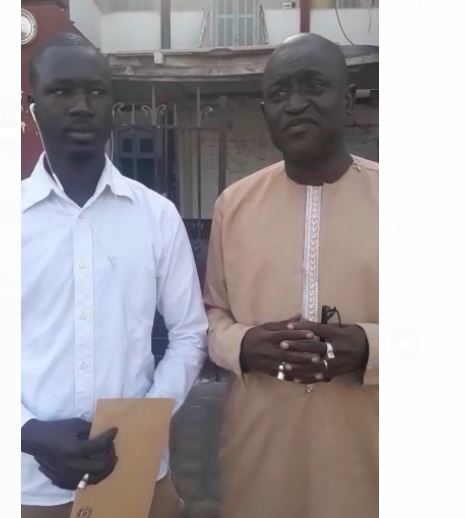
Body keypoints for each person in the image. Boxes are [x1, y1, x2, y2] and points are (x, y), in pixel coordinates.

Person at [21, 33, 207, 518]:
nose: (81, 106)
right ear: (32, 107)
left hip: (136, 473)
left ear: (113, 107)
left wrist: (140, 425)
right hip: (25, 484)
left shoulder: (156, 216)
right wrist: (25, 431)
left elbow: (189, 334)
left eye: (96, 92)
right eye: (61, 91)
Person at [204, 33, 378, 518]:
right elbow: (212, 316)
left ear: (348, 101)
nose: (296, 104)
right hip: (260, 454)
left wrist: (369, 346)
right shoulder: (234, 206)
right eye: (279, 93)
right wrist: (243, 345)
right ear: (266, 113)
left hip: (372, 456)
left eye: (314, 86)